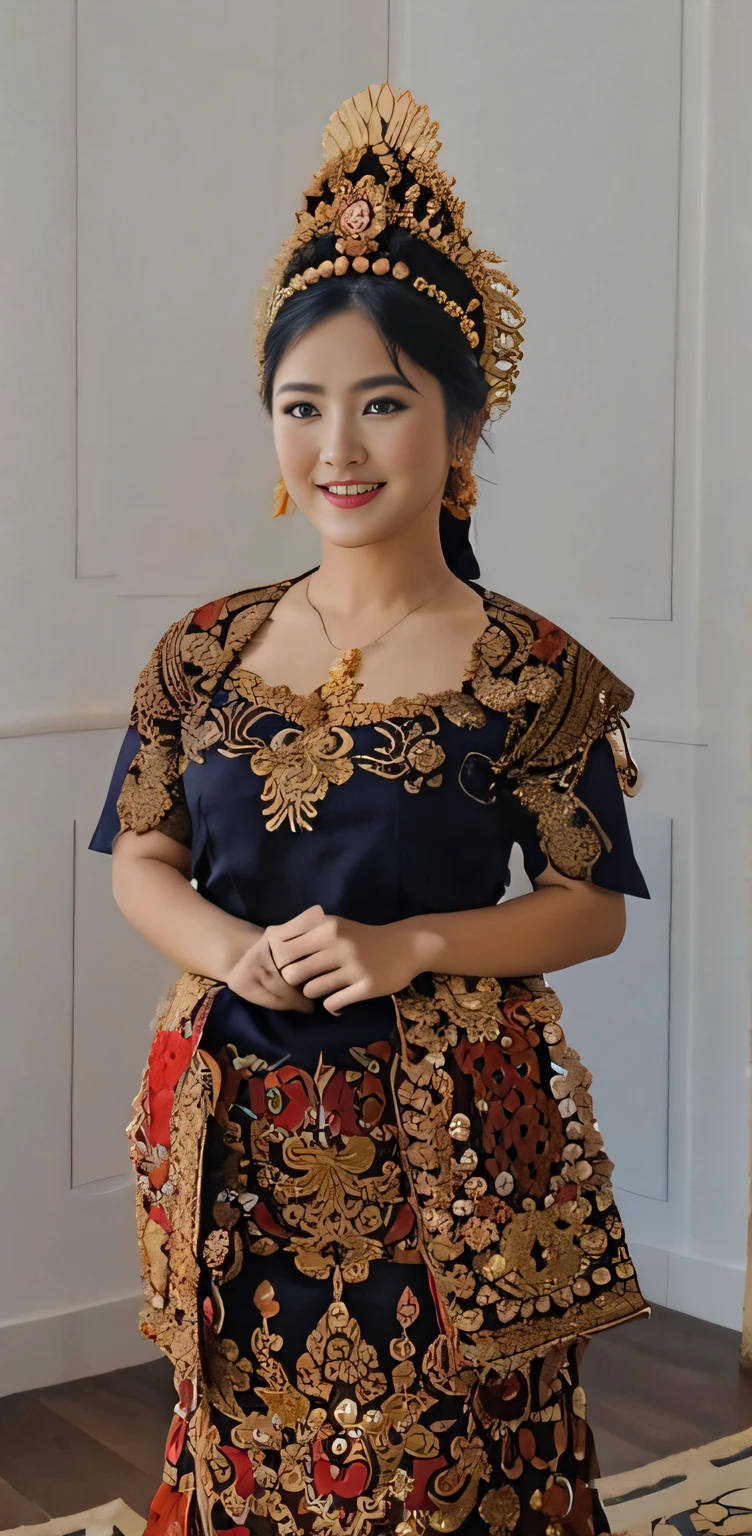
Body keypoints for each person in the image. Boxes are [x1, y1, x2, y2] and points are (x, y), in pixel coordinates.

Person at [90, 84, 650, 1536]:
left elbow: (590, 909)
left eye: (384, 401)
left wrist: (412, 949)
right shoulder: (202, 652)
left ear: (461, 421)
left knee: (452, 1482)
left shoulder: (537, 672)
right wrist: (224, 950)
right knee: (247, 1472)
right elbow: (140, 860)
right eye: (303, 404)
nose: (338, 444)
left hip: (454, 1162)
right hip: (232, 1154)